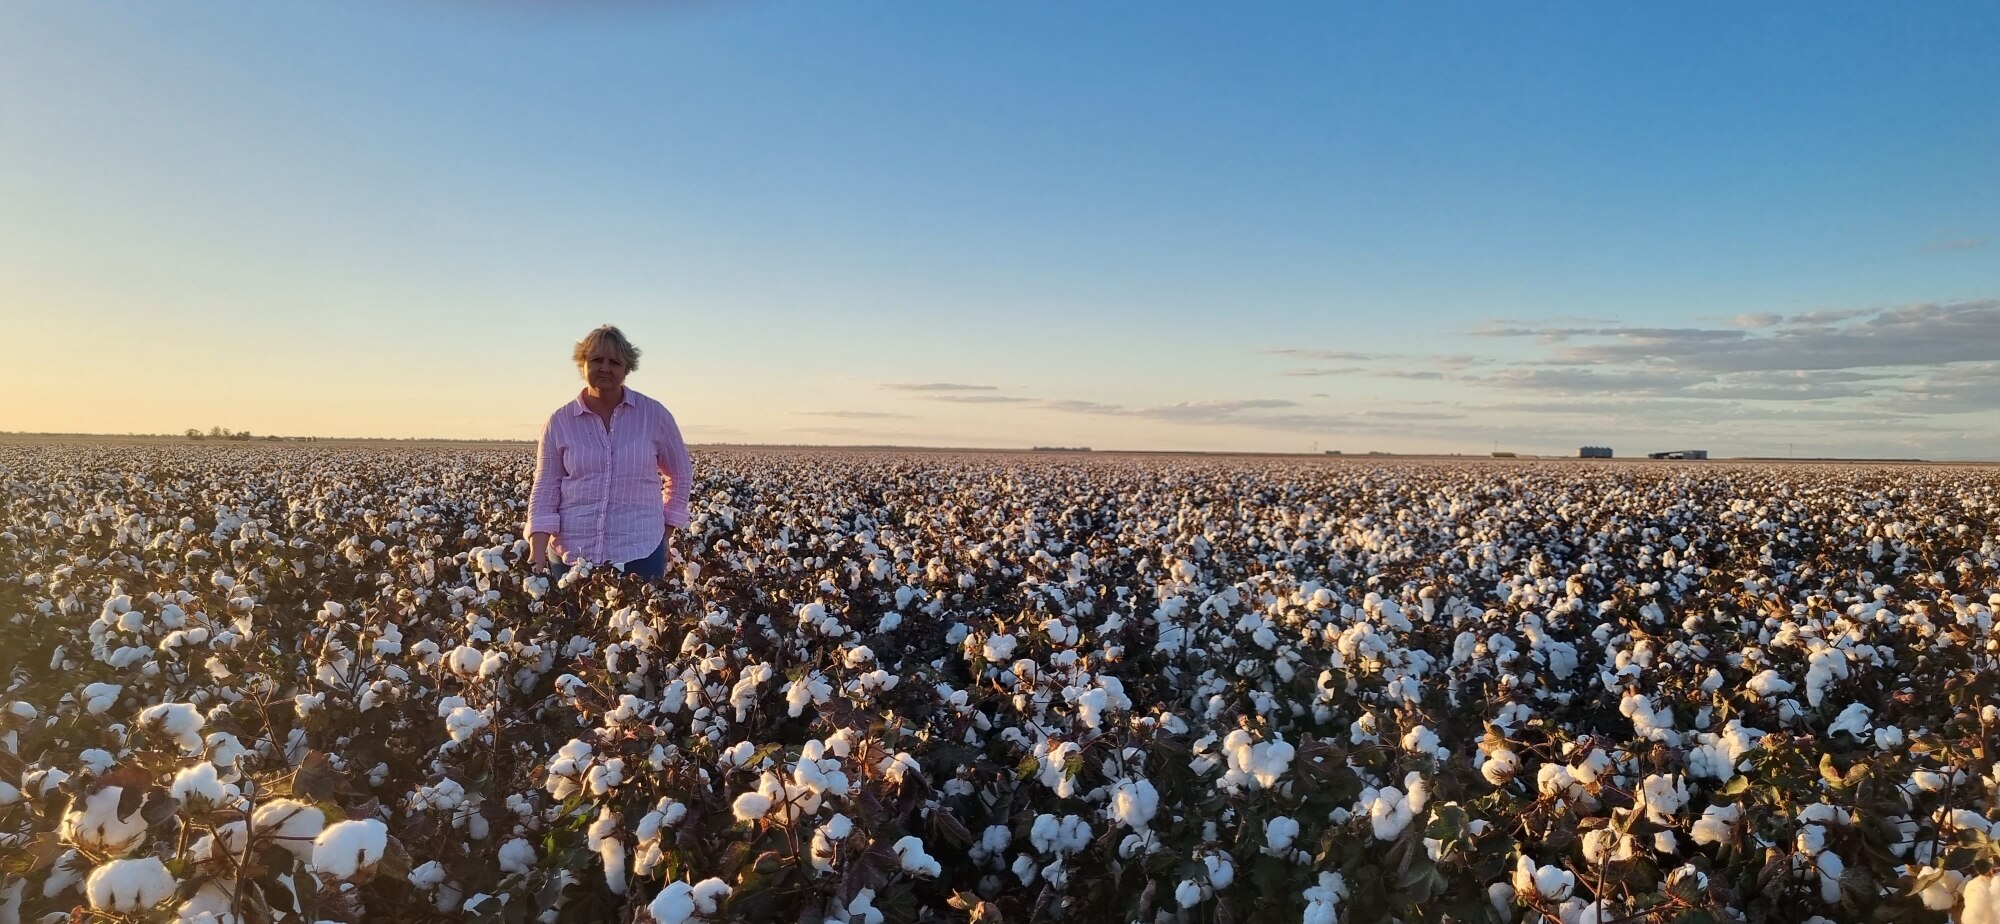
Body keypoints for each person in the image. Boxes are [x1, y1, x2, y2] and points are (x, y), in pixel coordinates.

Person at [526, 325, 693, 583]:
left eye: (614, 362)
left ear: (627, 368)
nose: (605, 368)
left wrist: (666, 531)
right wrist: (537, 549)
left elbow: (680, 475)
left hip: (641, 549)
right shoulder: (560, 421)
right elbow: (546, 485)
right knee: (575, 623)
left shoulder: (654, 415)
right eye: (596, 360)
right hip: (572, 553)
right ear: (582, 364)